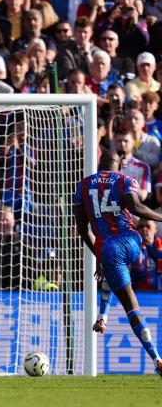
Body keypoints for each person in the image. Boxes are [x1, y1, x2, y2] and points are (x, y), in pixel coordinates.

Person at [73, 152, 162, 376]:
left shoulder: (82, 186)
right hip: (130, 241)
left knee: (130, 304)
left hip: (107, 248)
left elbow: (82, 229)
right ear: (120, 164)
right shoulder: (124, 180)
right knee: (117, 275)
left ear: (99, 162)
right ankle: (103, 320)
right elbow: (135, 207)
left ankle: (155, 357)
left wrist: (98, 254)